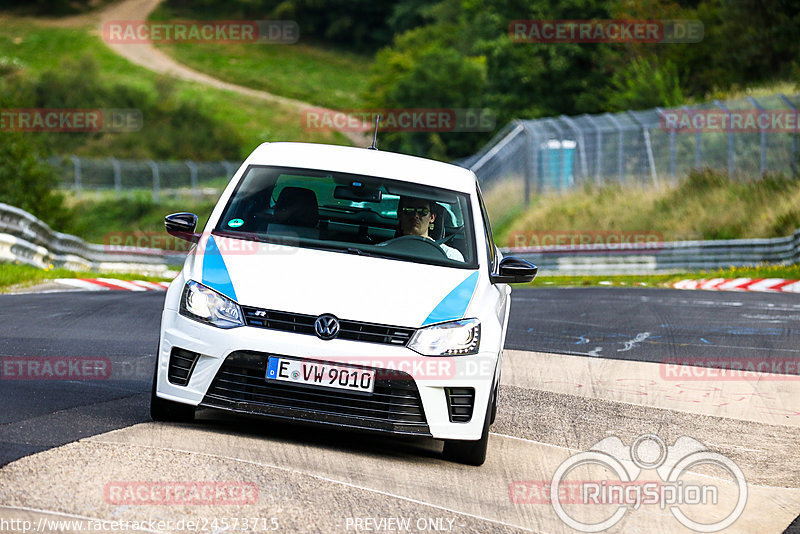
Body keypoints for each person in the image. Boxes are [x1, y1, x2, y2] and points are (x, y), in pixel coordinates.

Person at [396, 196, 464, 261]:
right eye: (409, 210)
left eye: (423, 211)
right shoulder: (388, 249)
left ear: (432, 217)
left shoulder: (450, 255)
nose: (415, 216)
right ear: (399, 215)